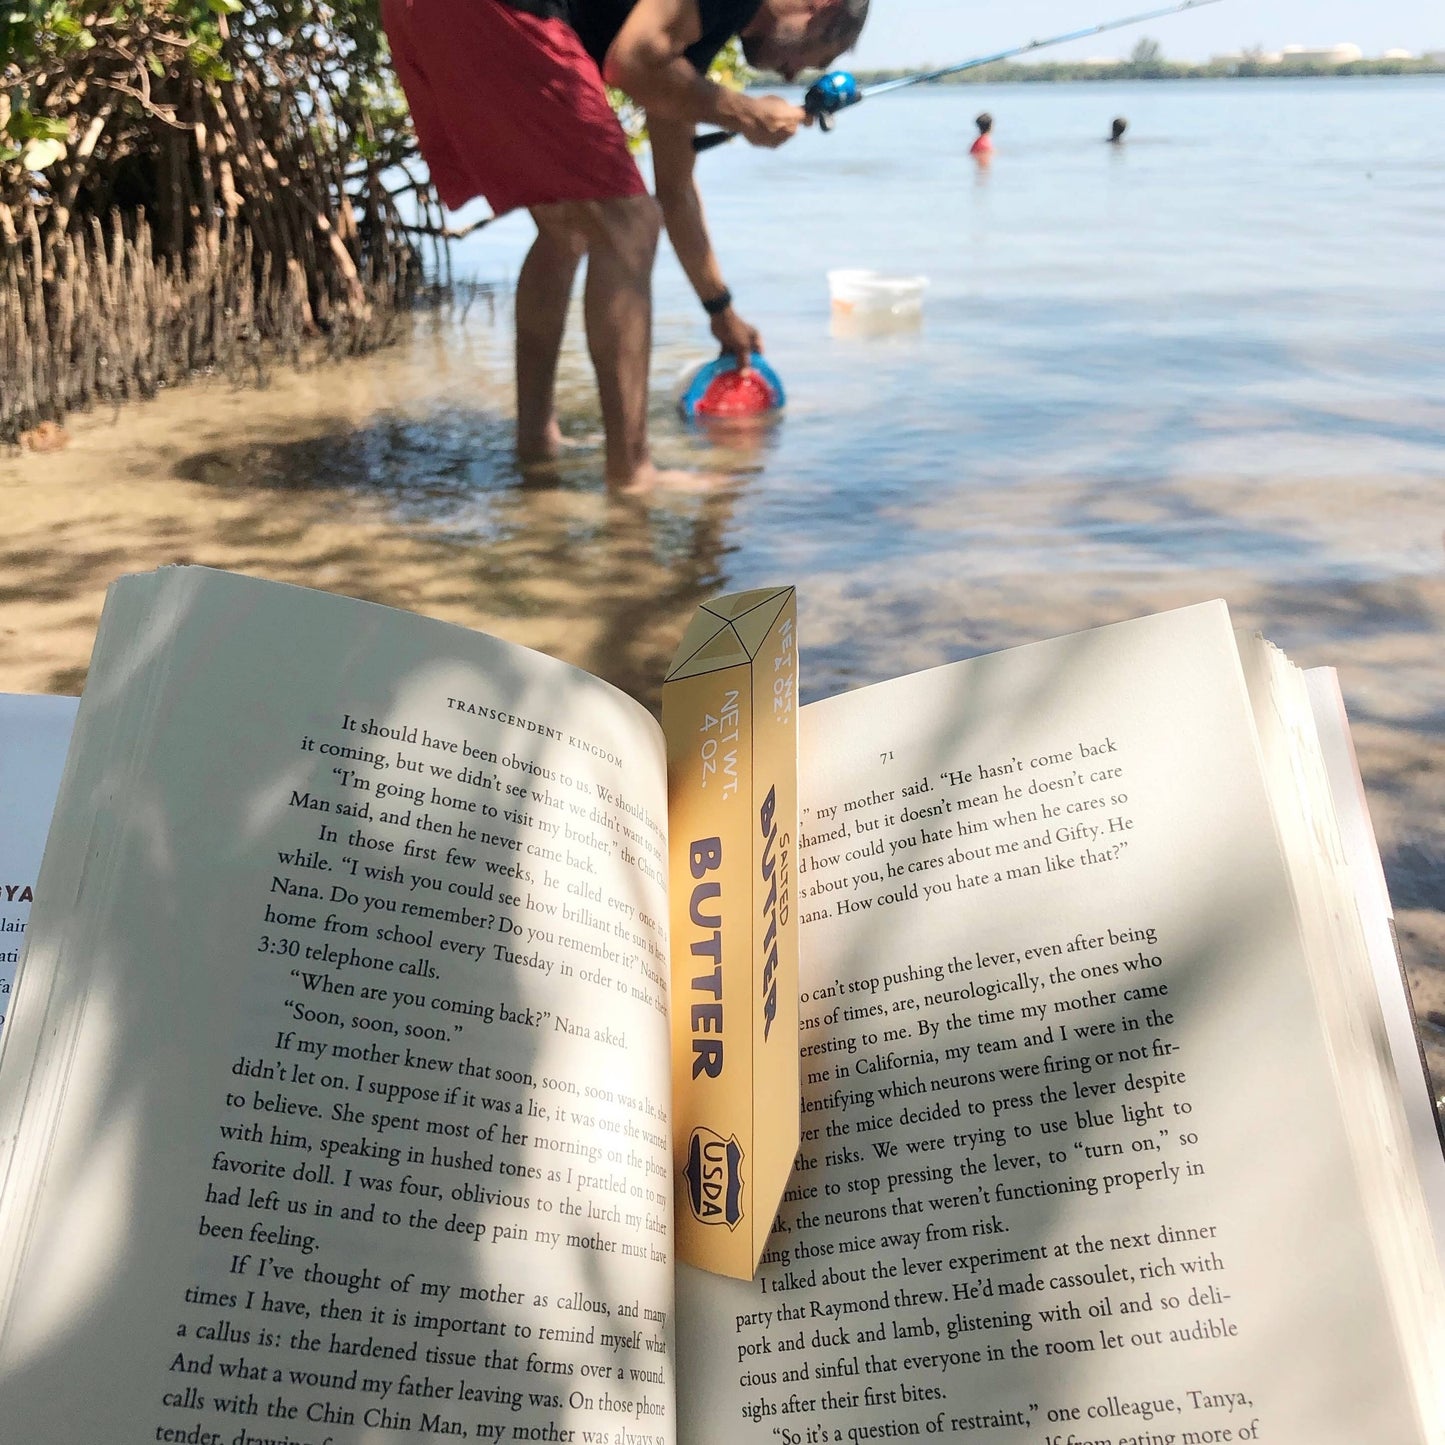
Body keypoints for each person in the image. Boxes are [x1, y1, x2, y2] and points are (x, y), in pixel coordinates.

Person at [382, 0, 870, 492]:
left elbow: (675, 191)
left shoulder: (690, 34)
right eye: (817, 58)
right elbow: (631, 62)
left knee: (566, 227)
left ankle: (535, 443)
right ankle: (632, 473)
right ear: (821, 10)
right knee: (628, 224)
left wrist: (720, 310)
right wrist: (743, 112)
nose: (793, 75)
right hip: (501, 11)